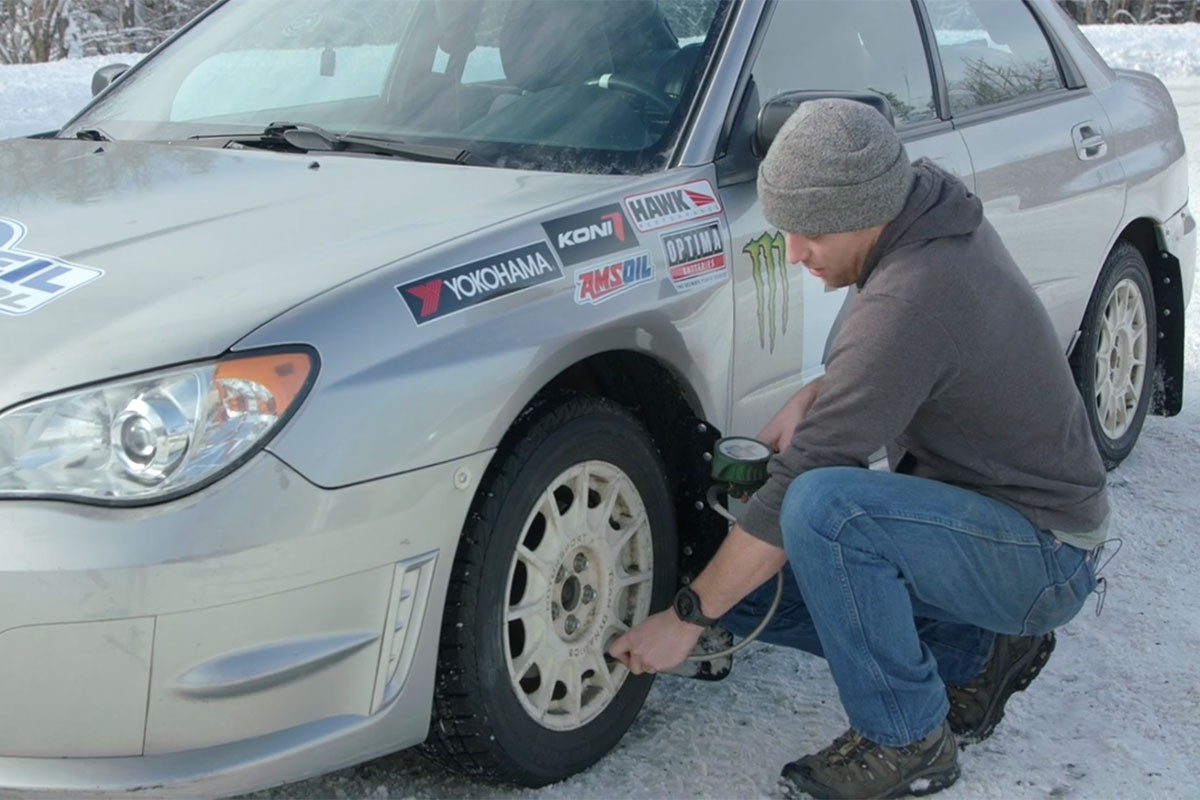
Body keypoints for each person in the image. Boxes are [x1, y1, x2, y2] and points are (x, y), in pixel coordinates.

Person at [608, 98, 1109, 799]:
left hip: (1044, 549)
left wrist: (686, 618)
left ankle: (908, 741)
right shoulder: (921, 211)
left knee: (822, 511)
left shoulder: (914, 293)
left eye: (808, 232)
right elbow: (919, 358)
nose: (793, 252)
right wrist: (820, 393)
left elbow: (807, 481)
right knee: (748, 597)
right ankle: (976, 650)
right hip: (987, 513)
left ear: (863, 209)